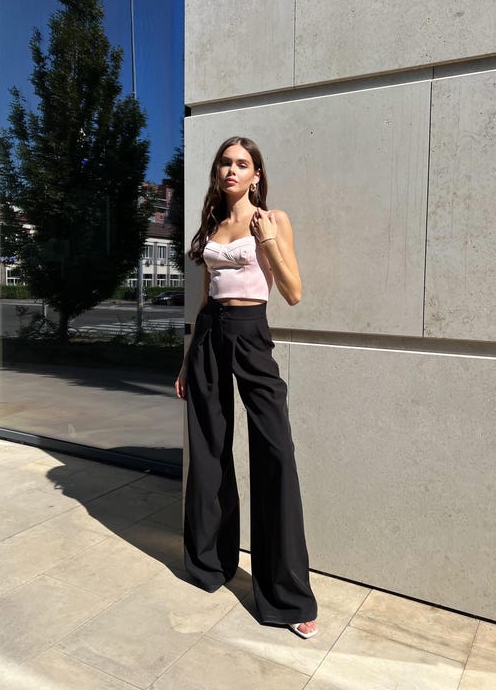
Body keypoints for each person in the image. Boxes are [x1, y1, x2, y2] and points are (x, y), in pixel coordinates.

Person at [175, 136, 318, 639]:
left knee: (275, 453)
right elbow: (206, 298)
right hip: (210, 335)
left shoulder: (272, 219)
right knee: (209, 449)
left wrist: (268, 240)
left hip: (252, 333)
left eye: (242, 163)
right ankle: (209, 563)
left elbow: (294, 293)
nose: (231, 170)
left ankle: (286, 596)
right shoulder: (212, 226)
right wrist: (188, 360)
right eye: (225, 163)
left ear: (256, 174)